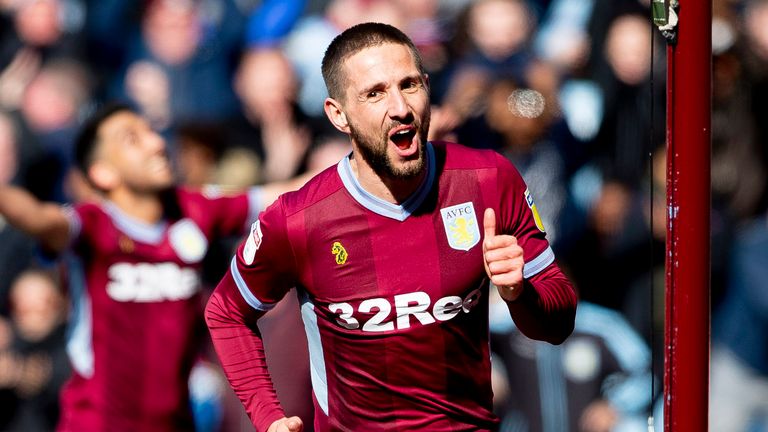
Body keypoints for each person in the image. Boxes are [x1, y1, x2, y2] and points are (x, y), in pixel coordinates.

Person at [205, 22, 577, 432]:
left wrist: (519, 293)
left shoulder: (488, 179)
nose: (400, 107)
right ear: (338, 115)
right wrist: (268, 418)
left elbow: (557, 324)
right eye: (375, 93)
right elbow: (226, 312)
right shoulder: (298, 219)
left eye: (410, 85)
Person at [0, 103, 304, 431]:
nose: (156, 143)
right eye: (133, 139)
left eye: (151, 132)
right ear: (103, 172)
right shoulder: (91, 227)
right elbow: (36, 216)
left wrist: (353, 167)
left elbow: (286, 196)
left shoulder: (193, 210)